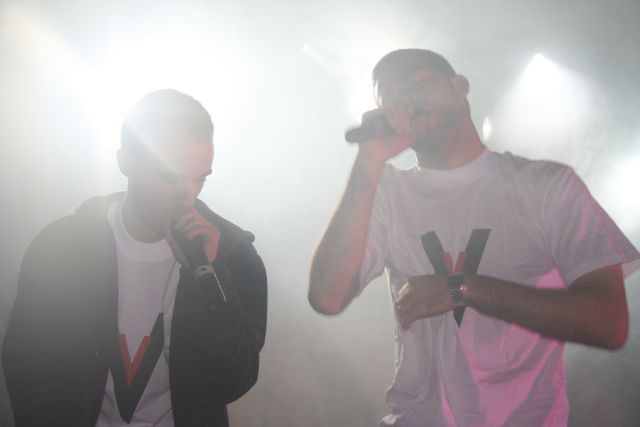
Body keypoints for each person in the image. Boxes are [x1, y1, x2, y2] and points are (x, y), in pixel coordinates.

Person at [308, 49, 639, 427]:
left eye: (416, 83)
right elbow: (327, 296)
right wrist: (369, 161)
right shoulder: (386, 192)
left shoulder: (546, 186)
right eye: (393, 99)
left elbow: (608, 323)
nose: (407, 100)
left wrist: (463, 288)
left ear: (458, 86)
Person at [2, 89, 267, 426]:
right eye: (169, 177)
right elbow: (34, 367)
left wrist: (211, 275)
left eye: (199, 179)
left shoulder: (233, 256)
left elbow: (232, 381)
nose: (187, 197)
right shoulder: (63, 247)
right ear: (125, 161)